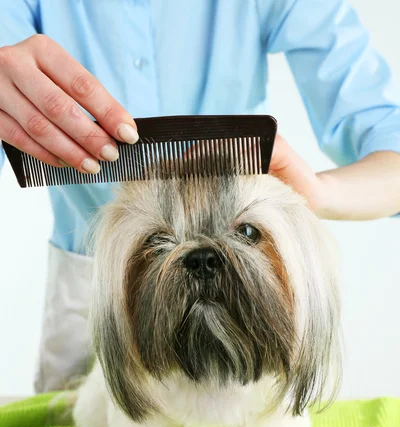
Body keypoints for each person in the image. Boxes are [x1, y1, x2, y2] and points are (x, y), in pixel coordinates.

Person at [1, 0, 400, 393]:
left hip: (251, 303)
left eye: (245, 231)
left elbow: (385, 127)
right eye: (157, 242)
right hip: (99, 292)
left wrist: (318, 191)